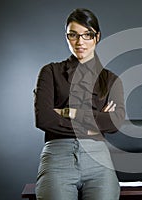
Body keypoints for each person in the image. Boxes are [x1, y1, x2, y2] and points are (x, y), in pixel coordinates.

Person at [34, 8, 125, 200]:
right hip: (58, 156)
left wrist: (69, 112)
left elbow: (115, 123)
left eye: (87, 35)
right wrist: (96, 126)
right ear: (66, 37)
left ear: (97, 37)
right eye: (73, 35)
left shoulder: (111, 80)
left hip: (98, 159)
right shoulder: (50, 72)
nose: (80, 42)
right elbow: (44, 119)